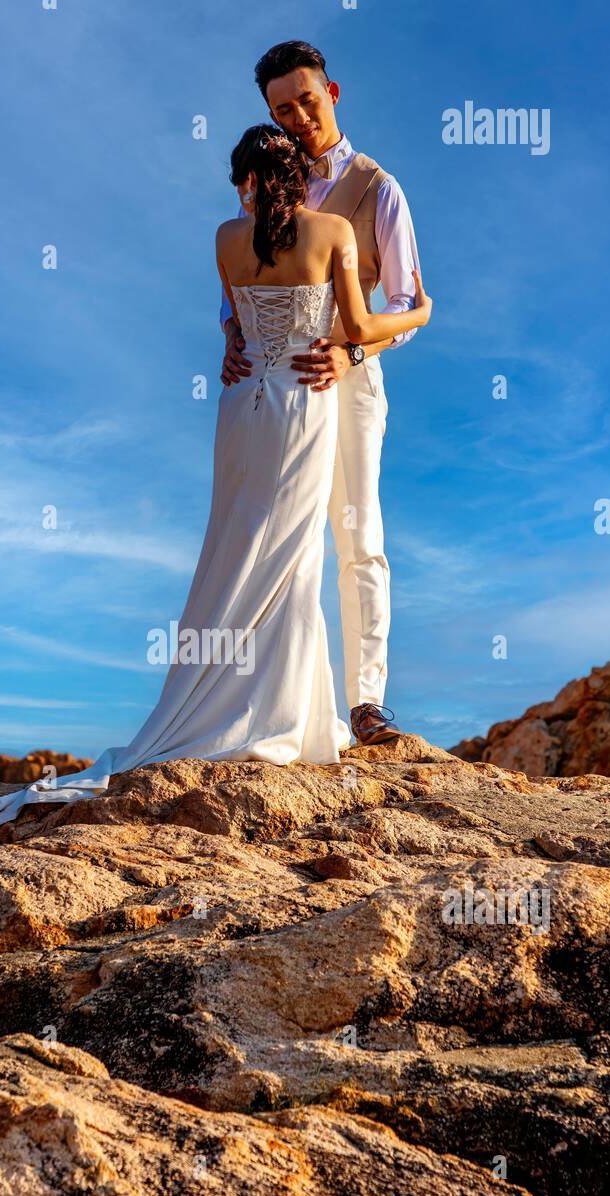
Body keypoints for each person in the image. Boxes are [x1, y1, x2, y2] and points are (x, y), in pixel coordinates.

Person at [0, 126, 430, 834]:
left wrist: (239, 342)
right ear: (295, 175)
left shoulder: (223, 238)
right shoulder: (335, 228)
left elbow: (238, 333)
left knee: (233, 545)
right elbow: (363, 325)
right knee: (291, 556)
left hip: (241, 408)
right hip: (303, 402)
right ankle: (281, 714)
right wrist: (423, 307)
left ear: (246, 181)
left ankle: (224, 703)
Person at [222, 40, 423, 746]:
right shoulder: (266, 178)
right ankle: (275, 698)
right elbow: (241, 275)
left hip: (353, 381)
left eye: (308, 100)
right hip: (273, 387)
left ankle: (365, 703)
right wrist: (233, 337)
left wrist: (353, 345)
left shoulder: (378, 188)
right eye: (283, 108)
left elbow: (409, 299)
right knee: (272, 534)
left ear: (332, 93)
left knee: (356, 530)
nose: (299, 116)